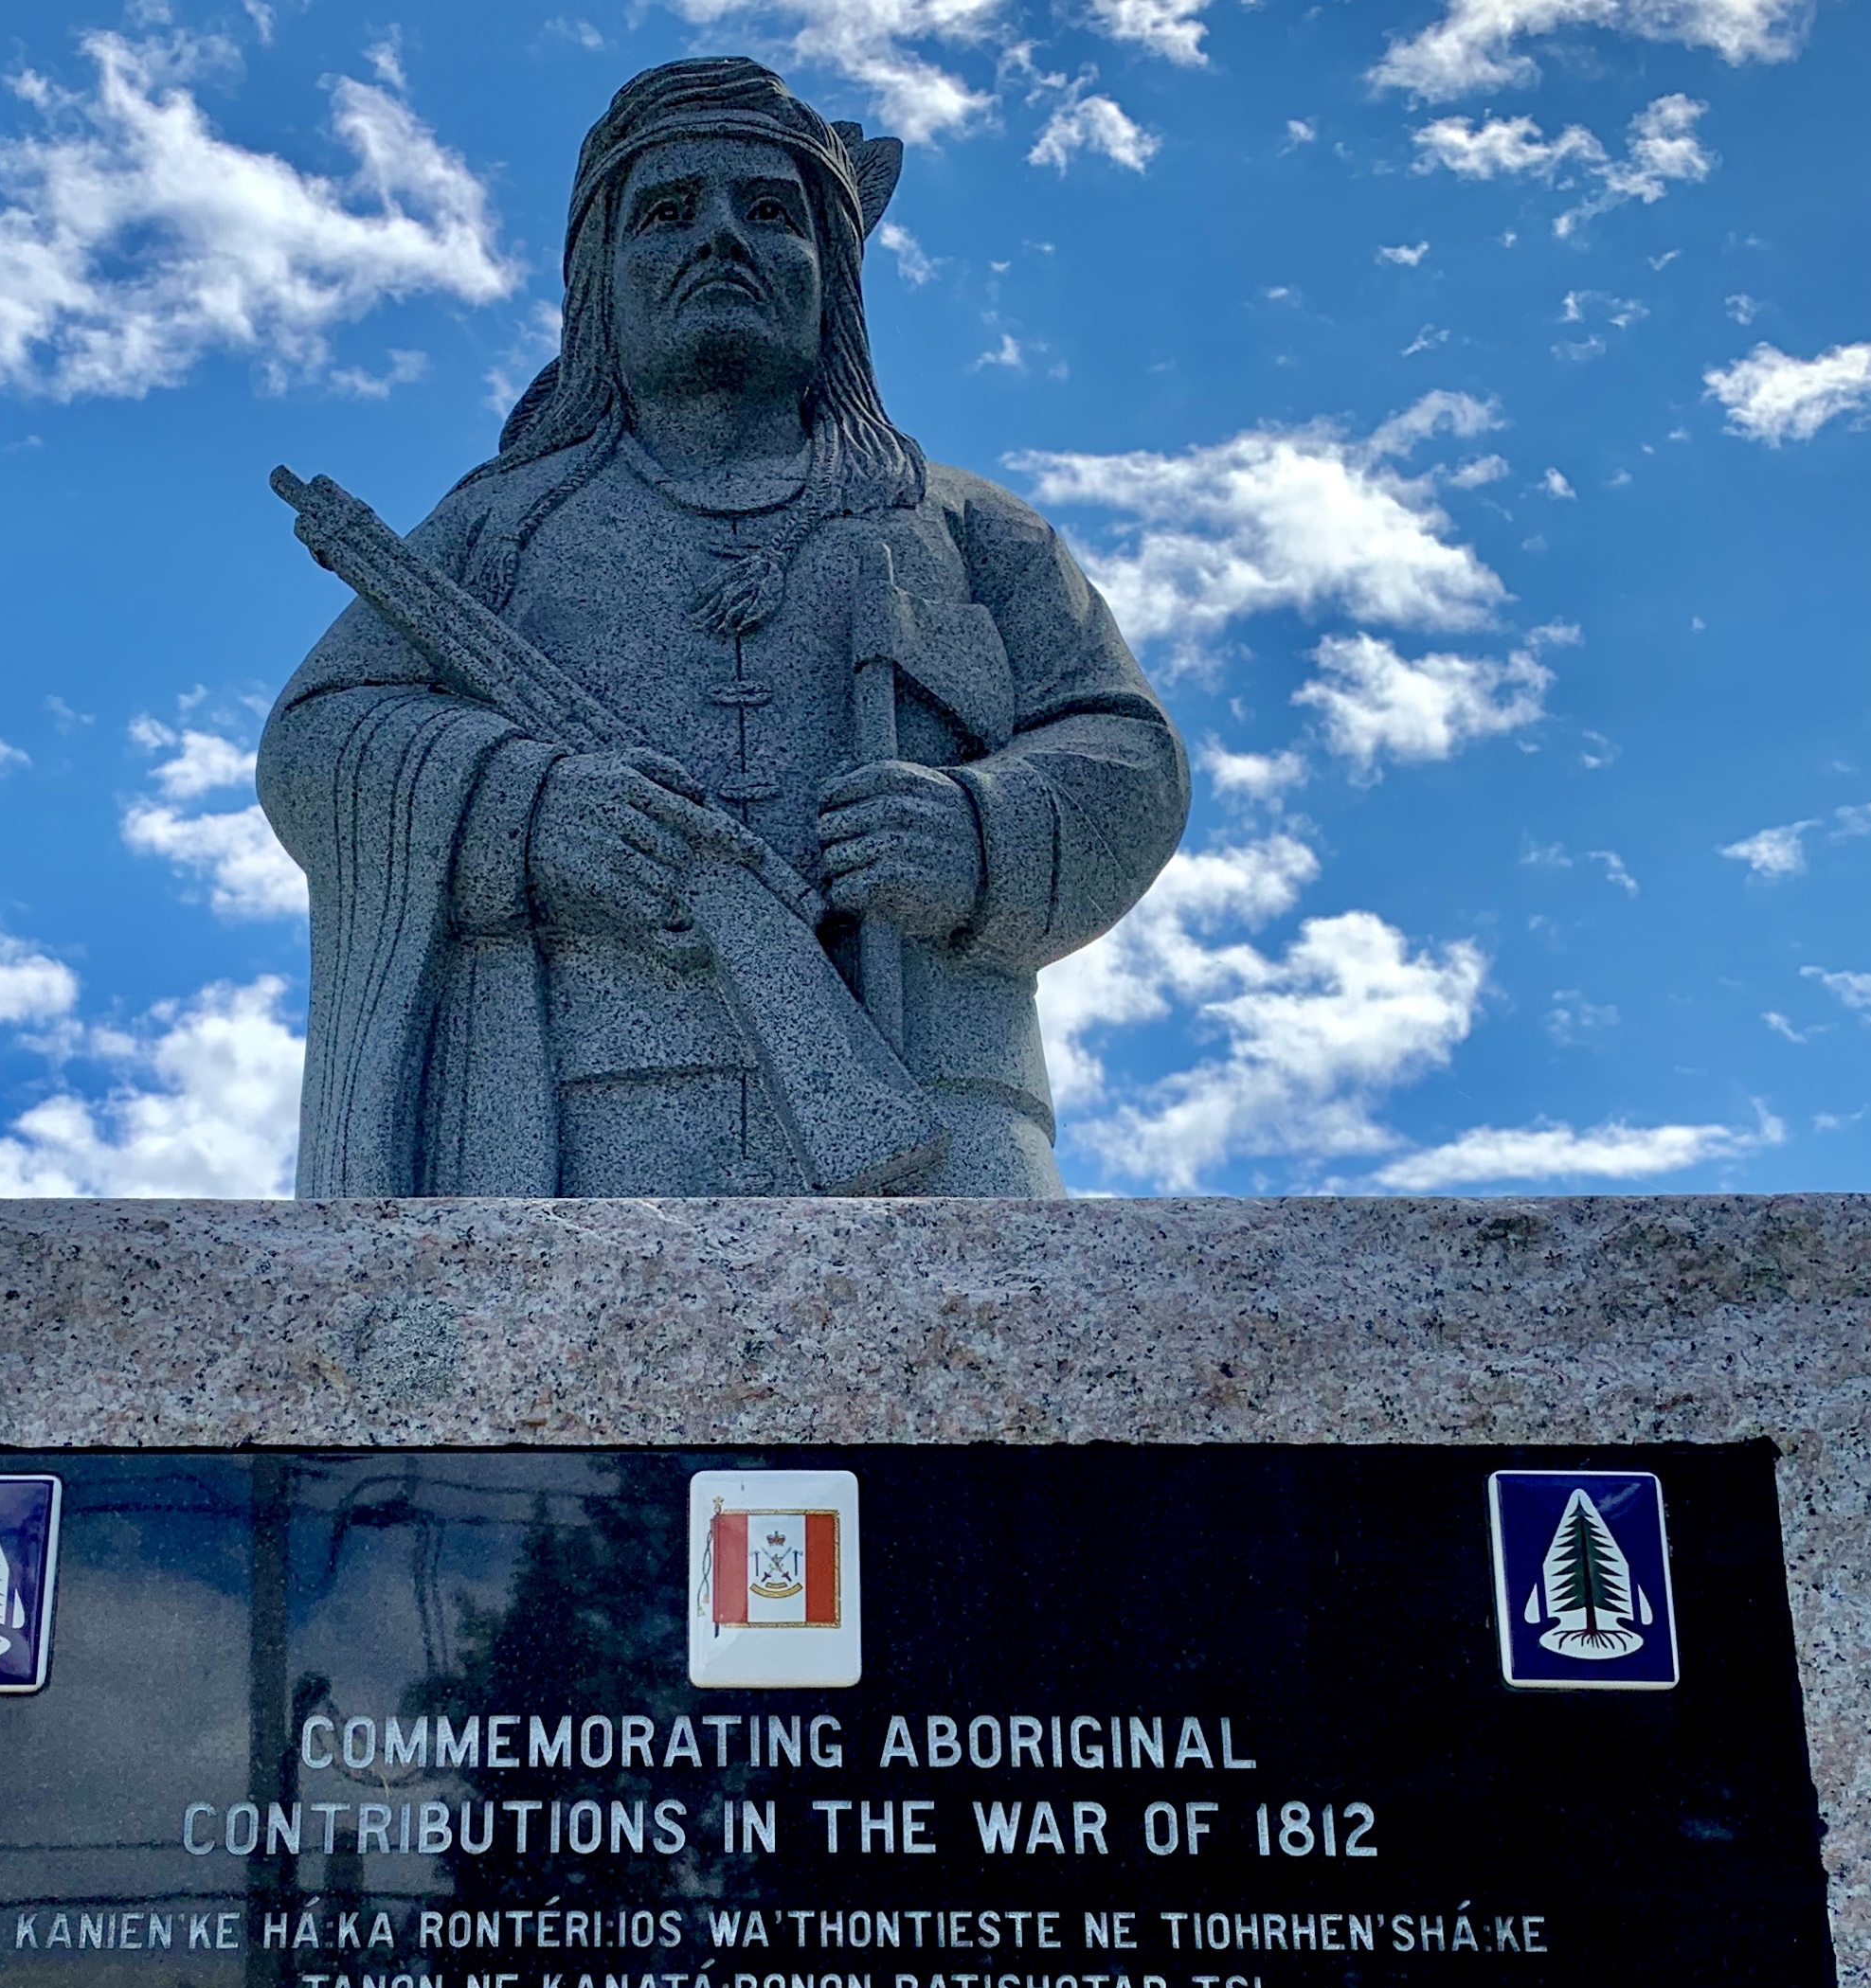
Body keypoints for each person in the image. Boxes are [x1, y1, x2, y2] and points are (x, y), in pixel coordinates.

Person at [264, 56, 1189, 1200]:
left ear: (829, 275)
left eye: (768, 211)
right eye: (667, 211)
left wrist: (980, 832)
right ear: (602, 276)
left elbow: (1128, 749)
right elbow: (316, 741)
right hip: (554, 1134)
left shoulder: (966, 527)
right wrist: (531, 810)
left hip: (944, 1115)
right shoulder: (497, 524)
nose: (720, 239)